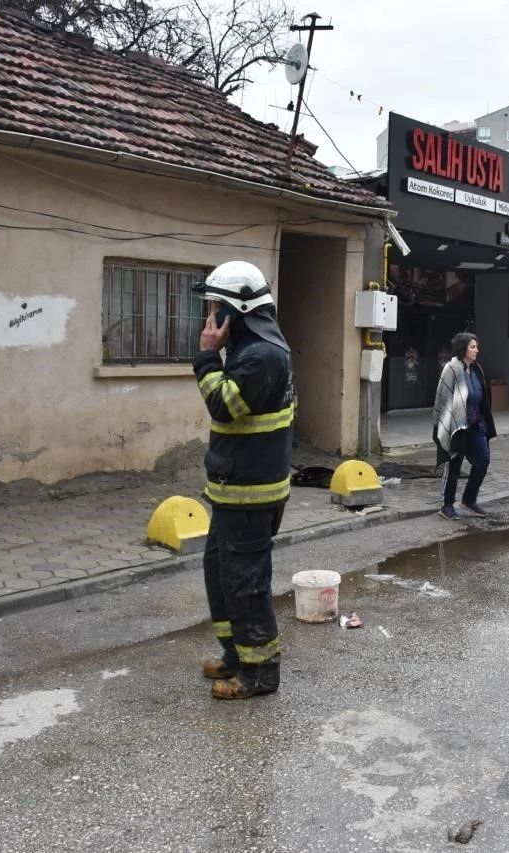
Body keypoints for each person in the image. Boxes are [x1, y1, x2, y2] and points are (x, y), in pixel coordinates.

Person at [193, 261, 296, 700]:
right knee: (220, 575)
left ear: (238, 310)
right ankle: (236, 654)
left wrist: (204, 356)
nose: (213, 315)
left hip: (252, 496)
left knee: (246, 584)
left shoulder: (262, 355)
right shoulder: (251, 348)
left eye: (218, 306)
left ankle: (260, 675)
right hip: (232, 491)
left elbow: (223, 405)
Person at [433, 332, 497, 520]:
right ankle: (447, 505)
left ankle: (469, 500)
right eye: (472, 347)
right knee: (453, 465)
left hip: (476, 424)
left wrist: (484, 422)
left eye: (476, 347)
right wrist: (448, 424)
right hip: (456, 426)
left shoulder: (476, 369)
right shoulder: (451, 369)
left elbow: (481, 397)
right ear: (463, 349)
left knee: (483, 461)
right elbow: (443, 399)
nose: (476, 350)